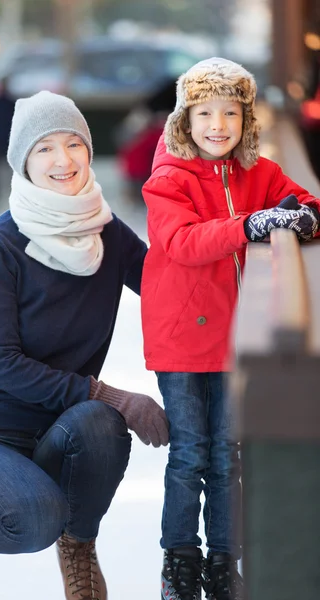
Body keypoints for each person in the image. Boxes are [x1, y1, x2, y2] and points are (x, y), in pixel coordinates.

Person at [0, 91, 169, 600]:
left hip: (56, 432)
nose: (62, 160)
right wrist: (120, 397)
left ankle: (79, 544)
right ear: (23, 161)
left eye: (73, 144)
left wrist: (242, 233)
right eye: (44, 149)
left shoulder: (107, 235)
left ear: (88, 150)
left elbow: (168, 288)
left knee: (99, 424)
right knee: (38, 514)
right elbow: (4, 366)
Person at [140, 57, 320, 600]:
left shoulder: (258, 173)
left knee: (228, 453)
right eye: (205, 112)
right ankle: (179, 562)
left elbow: (305, 200)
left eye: (230, 113)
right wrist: (254, 224)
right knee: (191, 452)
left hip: (233, 335)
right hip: (182, 338)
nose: (217, 125)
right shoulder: (167, 180)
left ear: (245, 120)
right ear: (184, 120)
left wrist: (303, 217)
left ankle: (223, 561)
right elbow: (184, 243)